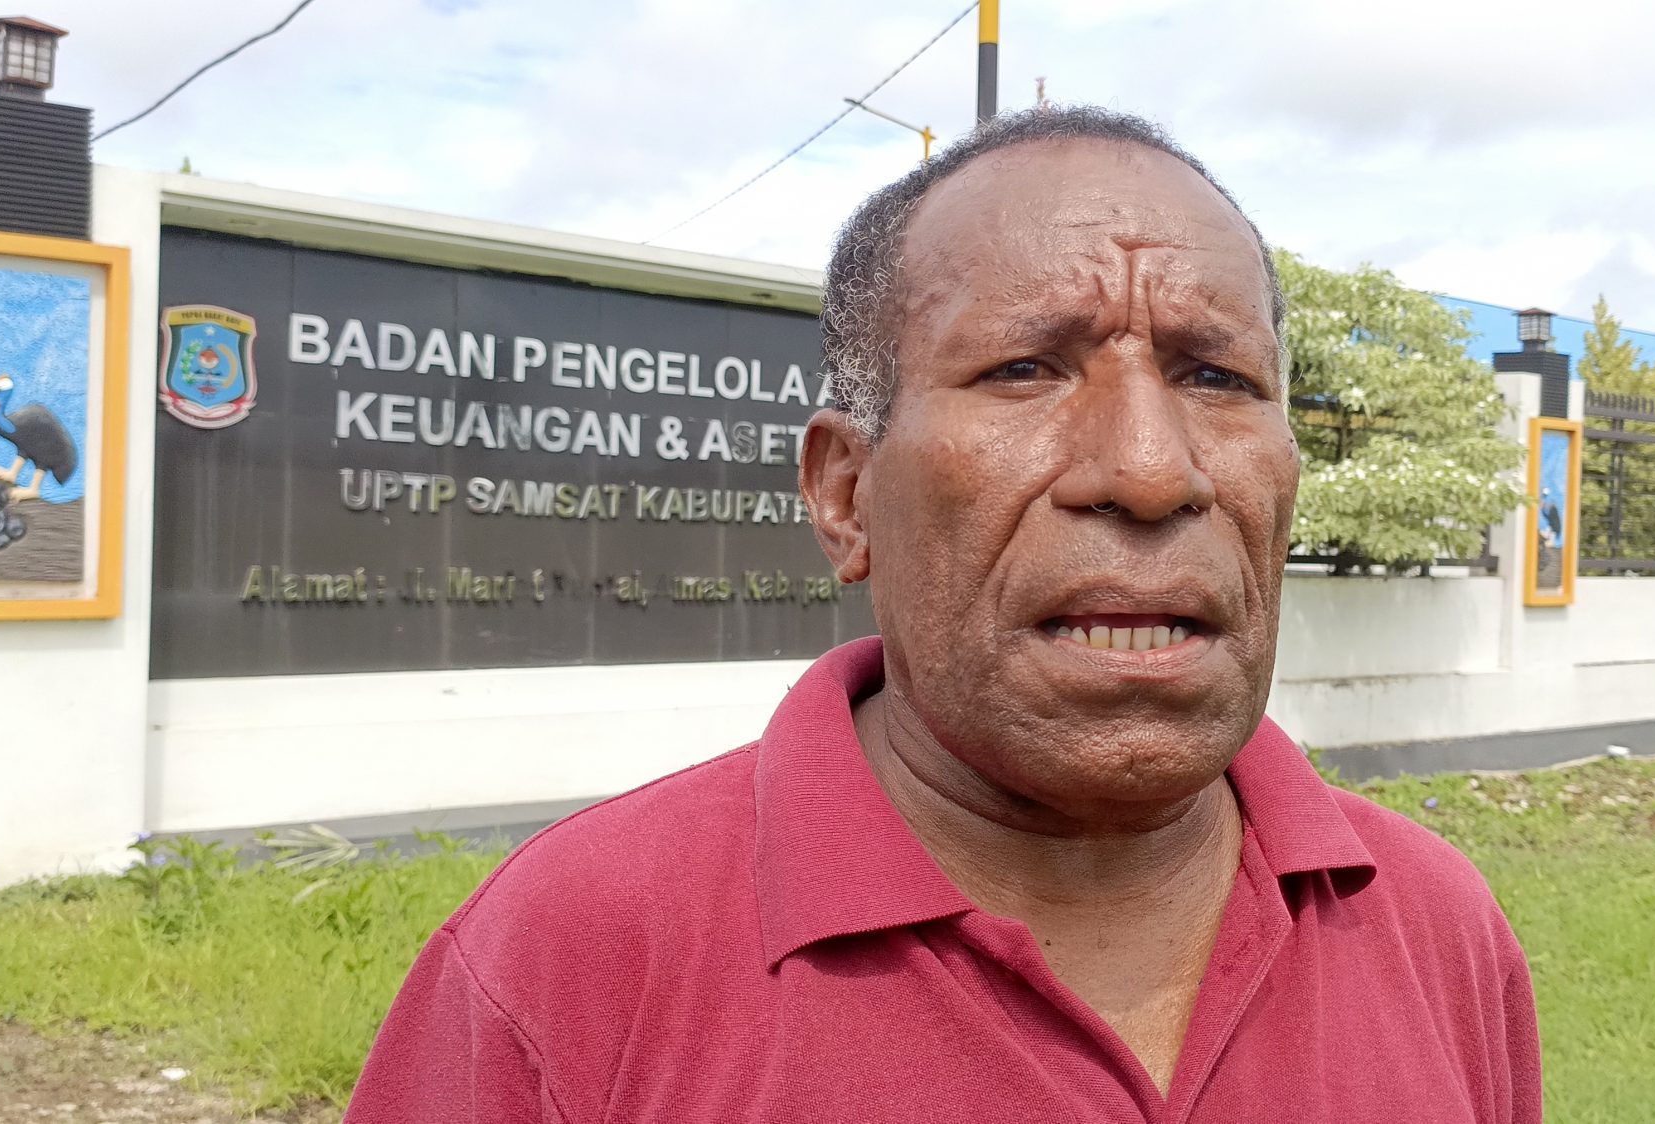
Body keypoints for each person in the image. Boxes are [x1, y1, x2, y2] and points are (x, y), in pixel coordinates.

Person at [345, 105, 1541, 1124]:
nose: (1148, 469)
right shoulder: (567, 963)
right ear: (845, 492)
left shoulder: (1436, 926)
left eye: (1216, 377)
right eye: (1024, 368)